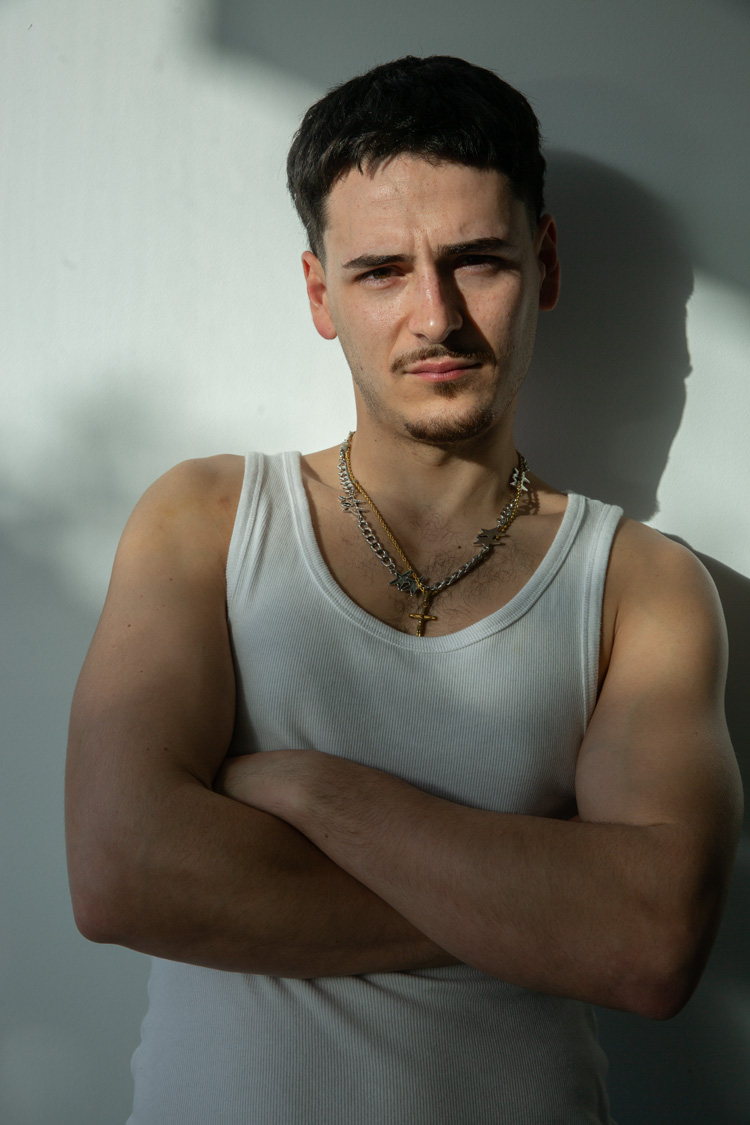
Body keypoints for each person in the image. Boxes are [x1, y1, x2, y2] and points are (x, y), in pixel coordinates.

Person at [65, 55, 742, 1124]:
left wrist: (312, 794)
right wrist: (544, 914)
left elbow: (651, 946)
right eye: (382, 271)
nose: (436, 317)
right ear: (320, 294)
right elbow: (120, 876)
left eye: (477, 262)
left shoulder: (643, 586)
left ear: (544, 264)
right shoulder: (205, 519)